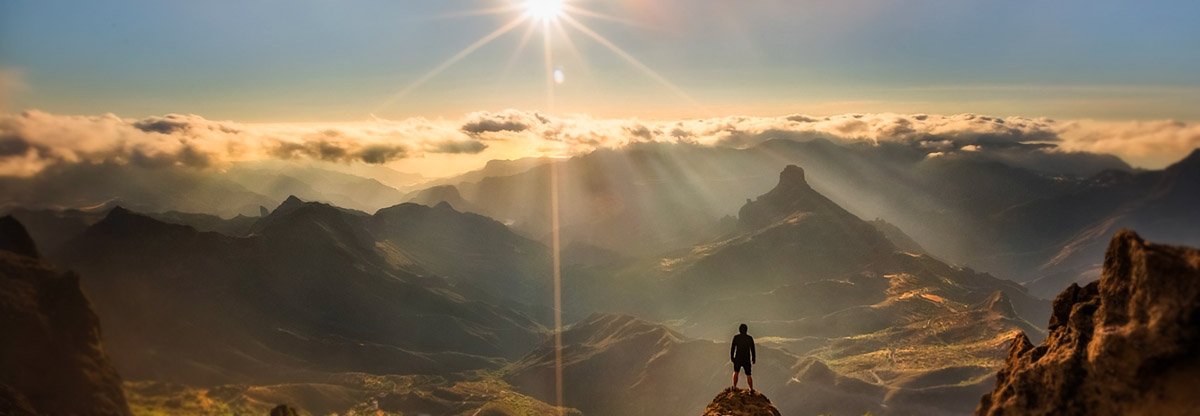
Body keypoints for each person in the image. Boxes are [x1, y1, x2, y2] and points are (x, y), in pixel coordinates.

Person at [730, 323, 756, 390]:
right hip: (746, 358)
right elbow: (752, 349)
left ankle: (734, 387)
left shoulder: (736, 338)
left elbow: (733, 348)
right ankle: (751, 389)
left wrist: (732, 357)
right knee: (748, 374)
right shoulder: (749, 338)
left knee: (736, 372)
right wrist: (753, 358)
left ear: (739, 330)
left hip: (738, 357)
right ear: (746, 330)